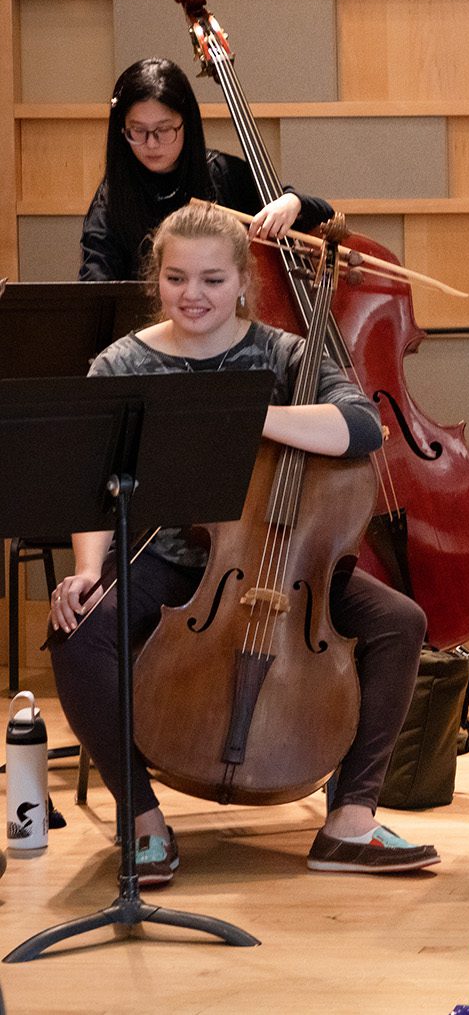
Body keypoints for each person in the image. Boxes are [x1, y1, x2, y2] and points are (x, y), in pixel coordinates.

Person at [47, 203, 436, 885]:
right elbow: (91, 483)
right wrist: (86, 569)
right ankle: (141, 821)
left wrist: (249, 417)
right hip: (169, 559)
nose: (193, 294)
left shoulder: (281, 354)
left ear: (242, 284)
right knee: (80, 634)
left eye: (212, 280)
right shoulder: (123, 362)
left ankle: (350, 817)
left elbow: (360, 427)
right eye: (176, 278)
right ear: (156, 280)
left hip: (287, 558)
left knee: (401, 623)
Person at [79, 58, 333, 281]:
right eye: (138, 131)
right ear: (122, 131)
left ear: (186, 124)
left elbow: (323, 215)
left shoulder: (222, 173)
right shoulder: (111, 199)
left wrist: (292, 202)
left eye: (164, 130)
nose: (151, 143)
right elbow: (97, 288)